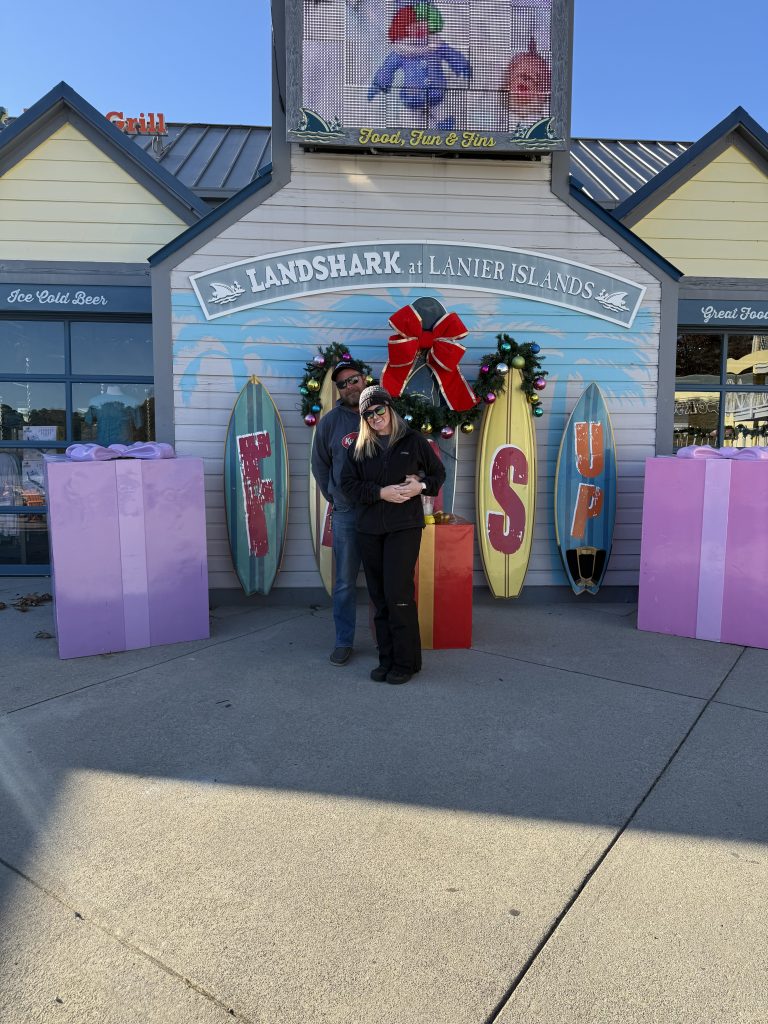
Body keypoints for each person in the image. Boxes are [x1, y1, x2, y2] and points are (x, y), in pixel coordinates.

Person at [341, 386, 446, 685]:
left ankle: (405, 662)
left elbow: (438, 474)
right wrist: (380, 493)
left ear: (389, 408)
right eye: (368, 414)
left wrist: (421, 486)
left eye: (379, 410)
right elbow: (347, 485)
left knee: (398, 594)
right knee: (379, 597)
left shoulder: (413, 442)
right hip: (369, 529)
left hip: (404, 527)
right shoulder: (359, 447)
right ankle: (387, 659)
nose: (375, 417)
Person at [310, 360, 367, 665]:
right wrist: (332, 495)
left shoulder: (383, 413)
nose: (349, 387)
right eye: (342, 384)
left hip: (381, 510)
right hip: (346, 512)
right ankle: (344, 640)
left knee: (383, 578)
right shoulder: (330, 422)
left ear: (364, 379)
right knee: (344, 581)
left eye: (353, 380)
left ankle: (388, 640)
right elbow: (320, 464)